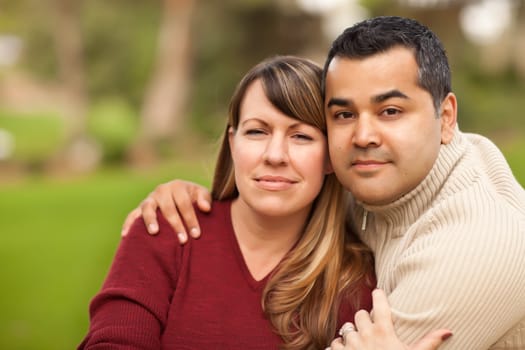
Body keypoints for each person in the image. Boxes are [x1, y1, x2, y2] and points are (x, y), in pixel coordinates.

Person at [122, 16, 525, 349]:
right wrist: (185, 194)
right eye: (345, 115)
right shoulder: (373, 180)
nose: (363, 136)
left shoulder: (477, 247)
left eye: (390, 110)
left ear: (447, 117)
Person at [82, 55, 447, 350]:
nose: (275, 155)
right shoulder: (167, 229)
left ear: (331, 158)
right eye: (257, 131)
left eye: (301, 136)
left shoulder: (356, 284)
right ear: (232, 141)